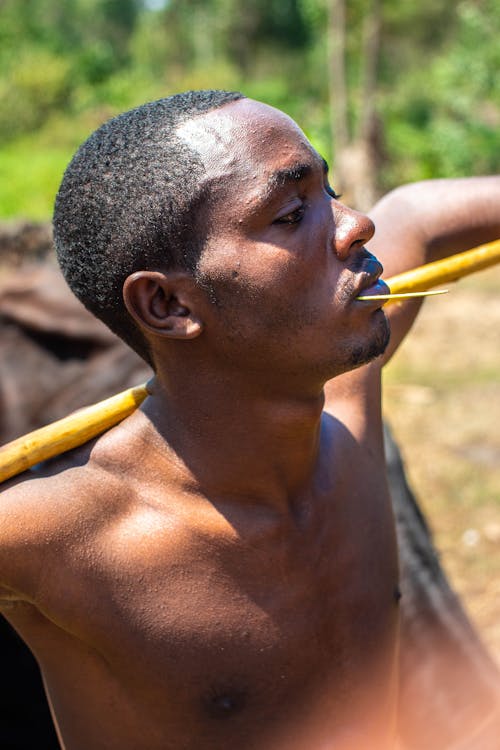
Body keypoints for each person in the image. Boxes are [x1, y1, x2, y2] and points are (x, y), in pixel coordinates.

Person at [1, 90, 499, 750]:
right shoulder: (63, 536)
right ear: (168, 304)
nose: (354, 226)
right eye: (293, 214)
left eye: (333, 191)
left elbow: (412, 215)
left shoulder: (348, 421)